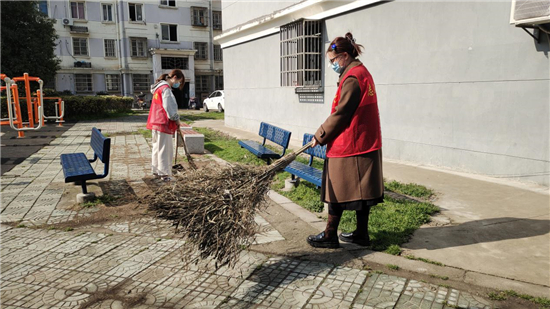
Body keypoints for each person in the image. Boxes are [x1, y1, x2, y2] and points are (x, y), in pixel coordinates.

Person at [307, 32, 384, 248]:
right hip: (364, 141)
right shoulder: (360, 72)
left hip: (351, 143)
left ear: (344, 55)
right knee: (363, 192)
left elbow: (341, 114)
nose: (332, 65)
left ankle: (330, 235)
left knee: (335, 188)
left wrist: (320, 135)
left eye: (333, 61)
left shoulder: (352, 77)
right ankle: (361, 234)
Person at [146, 69, 184, 181]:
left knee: (157, 147)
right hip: (163, 122)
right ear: (175, 77)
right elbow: (170, 107)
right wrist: (176, 119)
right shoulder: (165, 89)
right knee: (165, 149)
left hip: (156, 121)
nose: (178, 84)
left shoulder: (158, 88)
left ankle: (156, 170)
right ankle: (165, 174)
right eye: (179, 82)